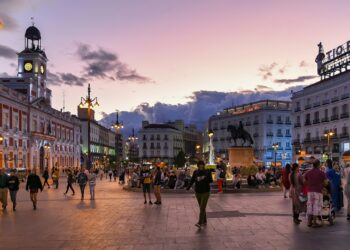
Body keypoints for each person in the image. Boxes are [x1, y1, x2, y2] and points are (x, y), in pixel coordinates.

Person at [187, 161, 213, 229]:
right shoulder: (196, 172)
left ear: (204, 165)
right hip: (197, 192)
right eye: (199, 165)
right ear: (198, 166)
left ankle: (200, 223)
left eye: (202, 165)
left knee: (202, 208)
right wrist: (189, 186)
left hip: (205, 192)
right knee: (202, 208)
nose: (201, 166)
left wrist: (204, 177)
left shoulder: (207, 171)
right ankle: (204, 220)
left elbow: (211, 180)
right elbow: (192, 180)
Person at [304, 159, 327, 227]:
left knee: (310, 205)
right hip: (318, 191)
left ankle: (309, 222)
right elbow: (325, 182)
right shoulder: (321, 173)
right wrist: (322, 184)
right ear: (318, 165)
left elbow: (304, 181)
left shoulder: (308, 172)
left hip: (310, 191)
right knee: (316, 206)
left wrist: (309, 184)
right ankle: (314, 222)